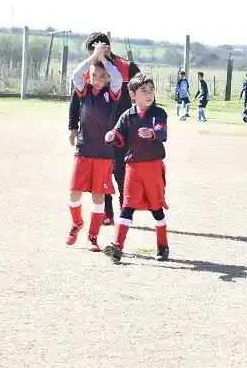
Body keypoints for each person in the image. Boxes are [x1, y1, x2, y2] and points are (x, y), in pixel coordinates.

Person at [68, 33, 141, 220]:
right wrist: (73, 126)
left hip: (124, 128)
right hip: (98, 132)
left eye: (97, 50)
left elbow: (144, 93)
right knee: (103, 172)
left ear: (107, 48)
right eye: (91, 52)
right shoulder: (88, 71)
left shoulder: (127, 68)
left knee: (120, 169)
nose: (94, 55)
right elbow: (76, 101)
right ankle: (107, 213)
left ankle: (125, 209)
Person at [105, 73, 170, 264]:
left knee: (156, 208)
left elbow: (162, 131)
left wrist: (152, 133)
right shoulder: (127, 115)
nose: (149, 94)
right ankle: (117, 247)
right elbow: (119, 135)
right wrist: (112, 135)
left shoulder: (159, 113)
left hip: (153, 167)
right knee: (127, 206)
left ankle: (163, 246)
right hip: (132, 168)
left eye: (151, 90)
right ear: (133, 95)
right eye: (144, 91)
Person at [66, 43, 124, 251]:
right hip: (84, 151)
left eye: (102, 76)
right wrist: (94, 57)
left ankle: (93, 237)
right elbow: (76, 74)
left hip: (104, 154)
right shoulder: (84, 91)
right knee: (74, 193)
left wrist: (105, 59)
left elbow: (117, 77)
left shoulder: (112, 94)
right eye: (94, 76)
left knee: (99, 197)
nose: (98, 80)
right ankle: (76, 223)